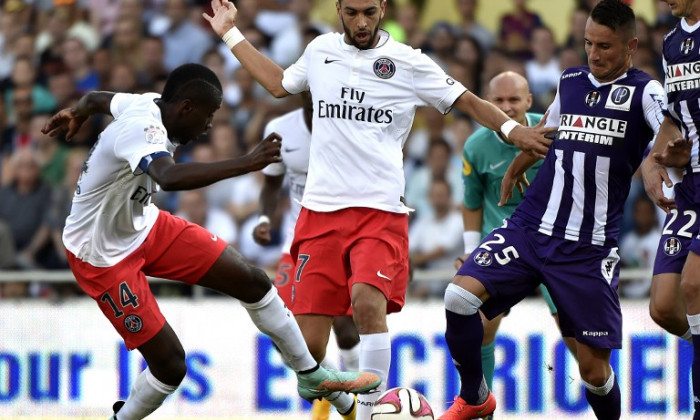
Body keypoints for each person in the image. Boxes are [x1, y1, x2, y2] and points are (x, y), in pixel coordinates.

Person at [203, 1, 552, 418]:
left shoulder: (407, 62)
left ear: (383, 8)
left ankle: (370, 413)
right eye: (352, 12)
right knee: (308, 349)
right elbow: (278, 84)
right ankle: (349, 402)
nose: (362, 22)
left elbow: (469, 101)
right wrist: (229, 33)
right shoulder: (320, 51)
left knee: (367, 304)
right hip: (319, 212)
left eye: (370, 11)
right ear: (338, 9)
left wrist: (514, 131)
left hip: (378, 210)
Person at [40, 63, 380, 420]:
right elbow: (168, 177)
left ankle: (312, 377)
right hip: (100, 257)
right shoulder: (142, 128)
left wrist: (76, 113)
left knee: (253, 282)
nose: (210, 125)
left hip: (145, 227)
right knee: (171, 366)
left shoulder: (148, 103)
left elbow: (96, 99)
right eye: (209, 115)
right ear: (186, 107)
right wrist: (247, 162)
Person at [440, 1, 666, 419]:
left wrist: (653, 163)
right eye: (587, 44)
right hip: (531, 227)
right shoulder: (572, 80)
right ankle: (474, 397)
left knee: (594, 371)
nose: (594, 54)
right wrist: (515, 167)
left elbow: (666, 131)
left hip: (588, 247)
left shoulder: (646, 91)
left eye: (605, 46)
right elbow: (546, 131)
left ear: (632, 45)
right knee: (457, 297)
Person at [456, 71, 578, 419]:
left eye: (514, 100)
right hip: (504, 242)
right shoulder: (476, 147)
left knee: (581, 346)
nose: (507, 108)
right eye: (498, 101)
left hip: (556, 243)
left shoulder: (553, 132)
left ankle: (605, 401)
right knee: (476, 325)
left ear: (529, 101)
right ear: (487, 103)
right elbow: (472, 201)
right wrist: (470, 248)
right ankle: (482, 409)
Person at [253, 91, 361, 420]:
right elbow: (272, 185)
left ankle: (361, 402)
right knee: (281, 333)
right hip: (296, 245)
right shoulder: (281, 129)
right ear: (302, 94)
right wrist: (264, 218)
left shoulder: (352, 126)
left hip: (344, 240)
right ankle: (336, 391)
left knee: (345, 328)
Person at [641, 0, 700, 416]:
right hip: (692, 184)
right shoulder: (672, 41)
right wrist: (652, 158)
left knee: (694, 286)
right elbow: (673, 116)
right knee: (663, 305)